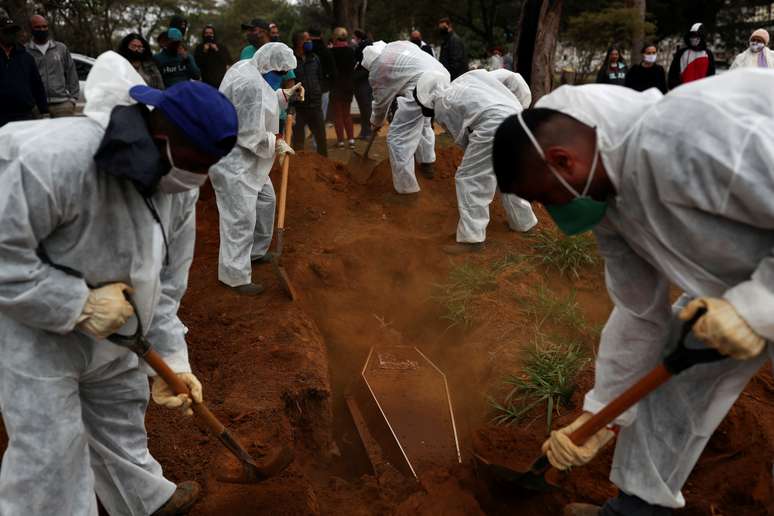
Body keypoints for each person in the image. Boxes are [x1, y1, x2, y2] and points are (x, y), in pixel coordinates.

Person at [492, 70, 774, 516]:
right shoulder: (610, 204)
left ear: (564, 162)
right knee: (674, 372)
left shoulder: (686, 134)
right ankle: (637, 510)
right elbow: (639, 311)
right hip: (735, 291)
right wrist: (601, 412)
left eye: (547, 198)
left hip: (761, 288)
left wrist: (760, 305)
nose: (552, 211)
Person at [0, 50, 238, 516]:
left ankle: (144, 501)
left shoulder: (179, 186)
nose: (199, 177)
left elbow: (168, 282)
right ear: (161, 133)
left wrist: (173, 359)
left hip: (120, 327)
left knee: (120, 413)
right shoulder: (54, 159)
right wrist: (78, 303)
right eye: (196, 162)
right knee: (50, 453)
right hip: (35, 327)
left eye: (209, 167)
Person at [210, 43, 303, 295]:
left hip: (251, 162)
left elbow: (262, 100)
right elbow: (251, 134)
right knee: (240, 219)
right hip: (235, 160)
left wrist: (285, 95)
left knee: (266, 202)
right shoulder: (248, 84)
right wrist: (278, 143)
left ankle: (255, 252)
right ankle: (235, 276)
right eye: (279, 73)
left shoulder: (251, 69)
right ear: (266, 66)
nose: (281, 77)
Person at [415, 68, 537, 254]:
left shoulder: (442, 103)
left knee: (470, 178)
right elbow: (512, 76)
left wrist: (479, 162)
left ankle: (472, 239)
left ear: (427, 99)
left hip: (493, 124)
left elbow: (463, 137)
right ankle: (524, 223)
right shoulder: (467, 80)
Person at [363, 40, 449, 193]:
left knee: (398, 137)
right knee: (423, 122)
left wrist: (376, 122)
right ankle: (427, 162)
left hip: (421, 84)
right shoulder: (398, 46)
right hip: (441, 75)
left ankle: (406, 189)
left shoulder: (378, 68)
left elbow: (380, 103)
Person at [26, 14, 78, 118]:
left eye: (45, 26)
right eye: (38, 27)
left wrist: (72, 100)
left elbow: (71, 74)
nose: (42, 29)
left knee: (64, 134)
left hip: (62, 105)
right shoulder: (25, 51)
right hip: (37, 107)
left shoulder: (61, 48)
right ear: (31, 29)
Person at [0, 16, 47, 126]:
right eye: (7, 31)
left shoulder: (26, 57)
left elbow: (37, 85)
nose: (11, 34)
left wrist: (44, 110)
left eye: (13, 31)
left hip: (24, 116)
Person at [291, 31, 327, 156]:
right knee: (298, 142)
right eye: (306, 40)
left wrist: (318, 91)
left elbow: (320, 77)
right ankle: (299, 168)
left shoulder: (314, 58)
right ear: (299, 42)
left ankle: (325, 165)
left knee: (321, 140)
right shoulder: (291, 60)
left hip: (315, 106)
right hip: (299, 108)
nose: (310, 43)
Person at [668, 22, 716, 89]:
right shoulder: (681, 53)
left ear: (702, 37)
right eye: (692, 36)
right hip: (683, 92)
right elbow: (673, 73)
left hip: (700, 93)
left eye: (696, 36)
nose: (693, 38)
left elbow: (711, 75)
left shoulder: (708, 54)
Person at [330, 27, 356, 149]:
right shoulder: (351, 51)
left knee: (337, 115)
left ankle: (340, 141)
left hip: (336, 86)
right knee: (347, 114)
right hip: (349, 85)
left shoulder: (331, 52)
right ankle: (351, 140)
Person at [308, 27, 337, 123]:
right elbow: (333, 70)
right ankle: (317, 135)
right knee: (321, 111)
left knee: (308, 111)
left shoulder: (307, 50)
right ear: (321, 35)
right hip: (324, 85)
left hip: (309, 86)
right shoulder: (326, 51)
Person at [352, 29, 373, 140]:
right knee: (364, 107)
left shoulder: (363, 49)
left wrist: (355, 75)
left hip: (363, 82)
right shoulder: (365, 47)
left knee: (365, 107)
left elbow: (364, 67)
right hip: (364, 81)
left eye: (354, 37)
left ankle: (367, 131)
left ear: (358, 37)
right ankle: (365, 130)